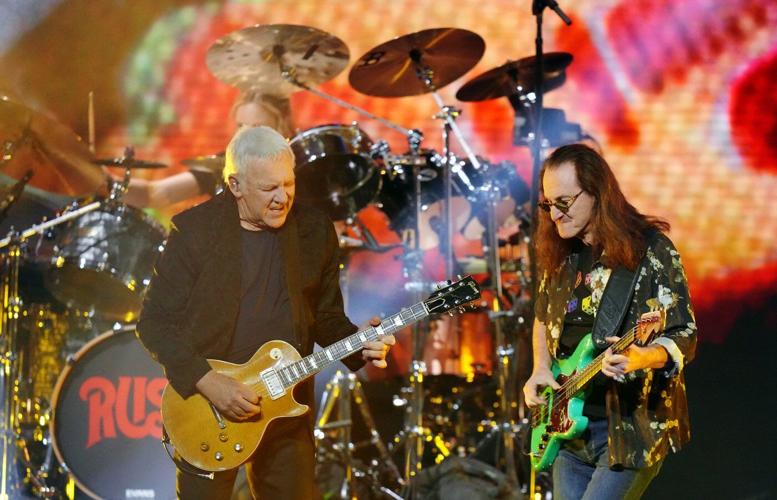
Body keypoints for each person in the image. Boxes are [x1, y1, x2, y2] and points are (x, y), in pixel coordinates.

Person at [136, 126, 395, 499]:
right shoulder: (194, 231)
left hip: (285, 408)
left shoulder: (314, 230)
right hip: (208, 408)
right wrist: (207, 380)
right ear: (235, 185)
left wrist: (360, 343)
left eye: (288, 184)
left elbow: (324, 317)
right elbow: (154, 323)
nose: (282, 197)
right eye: (269, 188)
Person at [522, 144, 696, 499]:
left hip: (627, 431)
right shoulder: (561, 255)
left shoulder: (650, 250)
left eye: (564, 202)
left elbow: (683, 333)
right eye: (548, 204)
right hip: (568, 432)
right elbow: (542, 316)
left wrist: (641, 357)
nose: (554, 215)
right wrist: (540, 368)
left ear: (597, 192)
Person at [122, 92, 295, 209]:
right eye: (240, 126)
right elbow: (153, 194)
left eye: (257, 127)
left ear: (283, 129)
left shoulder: (303, 168)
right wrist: (108, 183)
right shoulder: (223, 165)